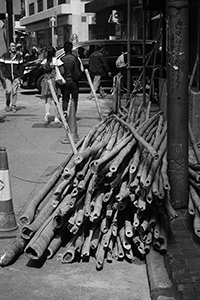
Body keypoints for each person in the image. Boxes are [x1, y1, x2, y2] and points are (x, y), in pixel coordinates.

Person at [58, 41, 82, 143]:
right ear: (71, 48)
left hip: (65, 81)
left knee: (65, 98)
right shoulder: (75, 59)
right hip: (74, 82)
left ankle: (64, 113)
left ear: (64, 49)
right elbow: (78, 71)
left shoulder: (62, 59)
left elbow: (61, 71)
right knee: (74, 99)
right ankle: (73, 115)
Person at [0, 41, 24, 112]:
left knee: (14, 92)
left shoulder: (19, 56)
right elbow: (1, 66)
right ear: (9, 47)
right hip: (7, 77)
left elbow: (21, 66)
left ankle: (13, 105)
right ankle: (7, 104)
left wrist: (20, 76)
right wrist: (3, 74)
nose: (13, 47)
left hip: (16, 77)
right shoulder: (5, 55)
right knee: (9, 91)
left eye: (14, 46)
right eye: (12, 46)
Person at [40, 46, 61, 124]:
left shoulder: (44, 62)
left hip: (46, 81)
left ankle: (47, 112)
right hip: (54, 81)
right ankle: (56, 117)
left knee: (47, 99)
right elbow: (61, 71)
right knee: (56, 100)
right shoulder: (57, 61)